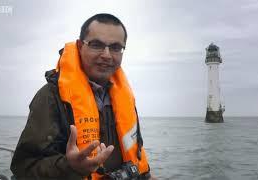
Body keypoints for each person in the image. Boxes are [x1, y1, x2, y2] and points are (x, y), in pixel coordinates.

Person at [10, 13, 154, 180]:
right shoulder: (50, 97)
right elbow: (23, 166)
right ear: (79, 46)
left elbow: (136, 157)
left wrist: (147, 176)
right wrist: (70, 166)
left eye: (115, 47)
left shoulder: (125, 98)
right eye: (96, 45)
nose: (107, 55)